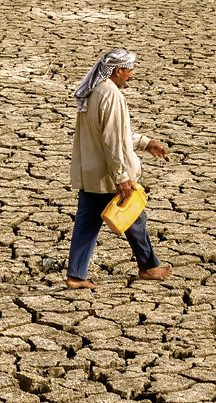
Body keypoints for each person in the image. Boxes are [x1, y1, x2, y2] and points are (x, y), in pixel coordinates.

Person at [66, 48, 171, 289]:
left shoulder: (94, 91)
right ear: (117, 70)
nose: (131, 76)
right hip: (108, 175)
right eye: (129, 71)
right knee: (135, 217)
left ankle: (76, 276)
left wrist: (145, 143)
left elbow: (115, 133)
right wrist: (122, 177)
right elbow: (112, 139)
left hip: (91, 173)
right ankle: (148, 266)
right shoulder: (111, 95)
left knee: (86, 223)